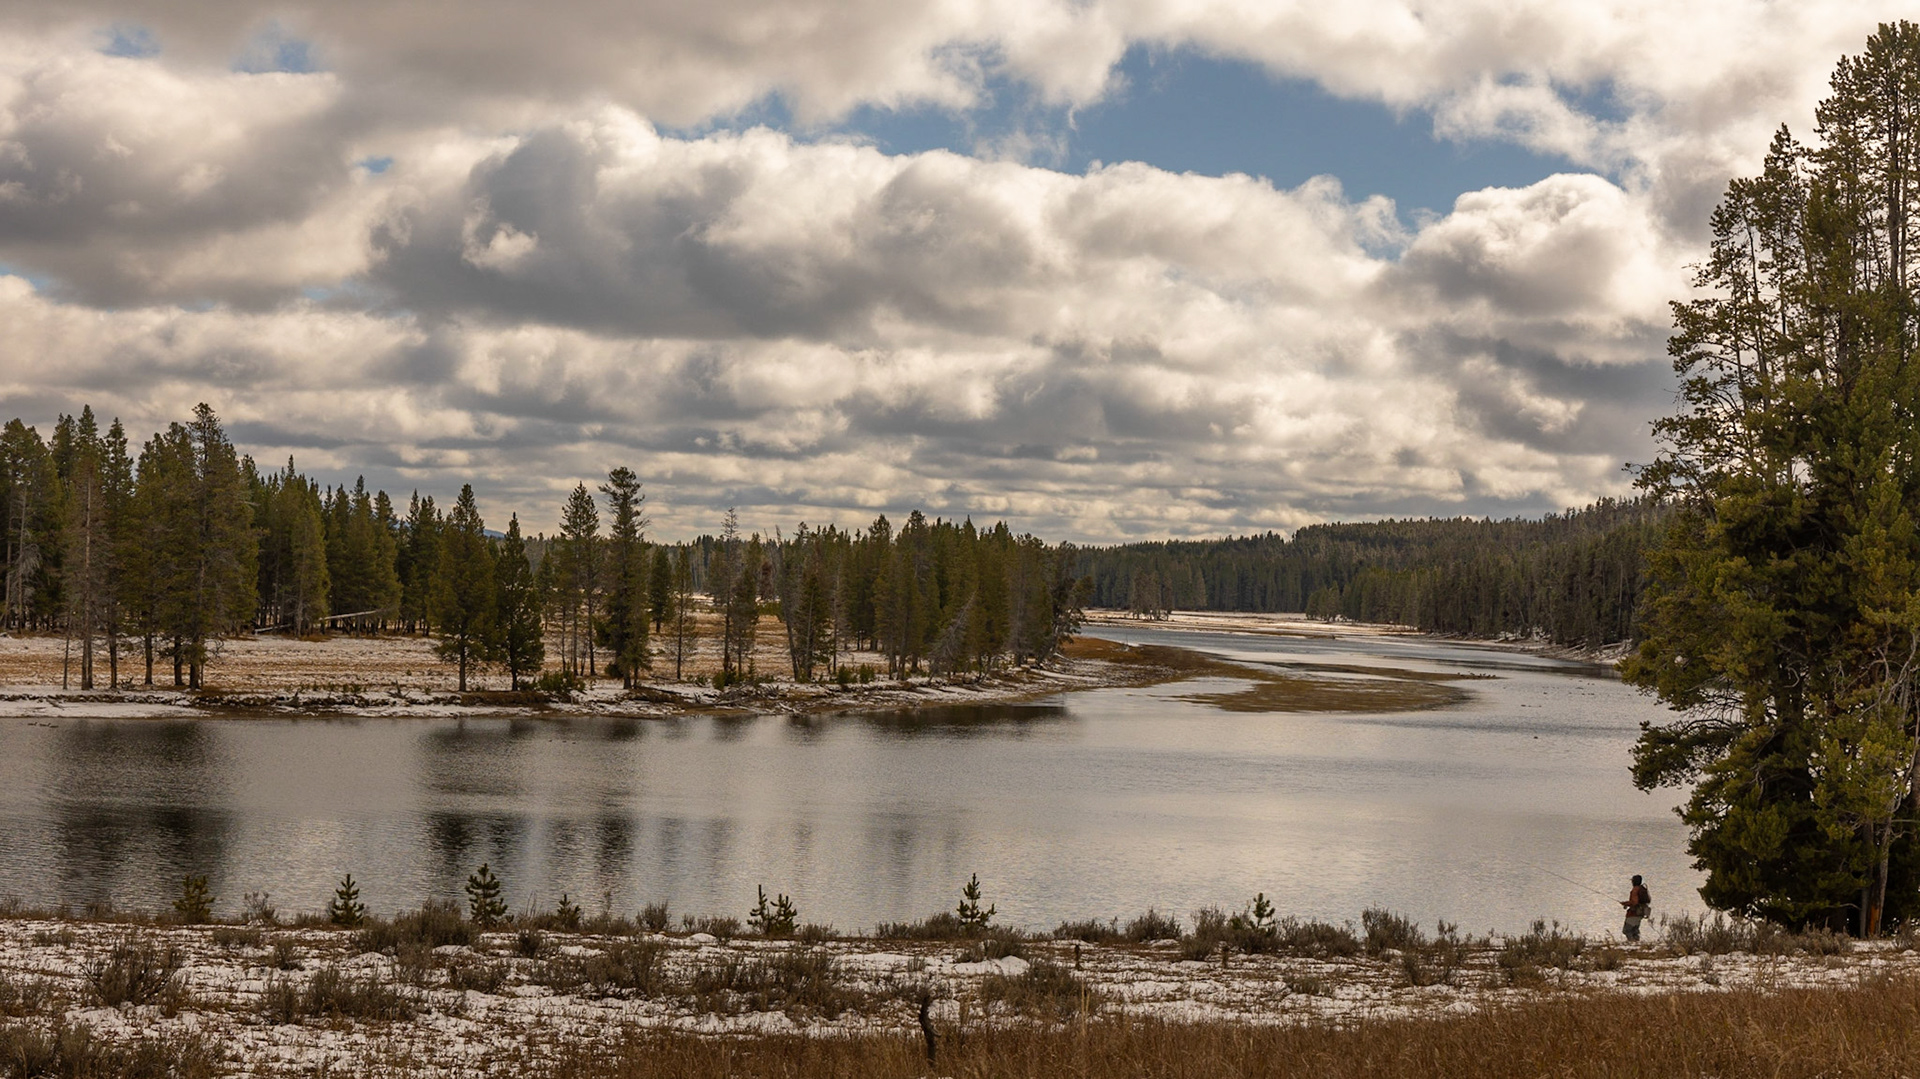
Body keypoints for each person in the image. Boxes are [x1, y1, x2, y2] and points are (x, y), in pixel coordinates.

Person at [1620, 874, 1651, 941]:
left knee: (1627, 930)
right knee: (1635, 930)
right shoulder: (1642, 889)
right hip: (1641, 913)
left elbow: (1635, 902)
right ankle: (1637, 943)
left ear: (1634, 881)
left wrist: (1625, 903)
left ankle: (1632, 943)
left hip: (1633, 913)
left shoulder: (1635, 890)